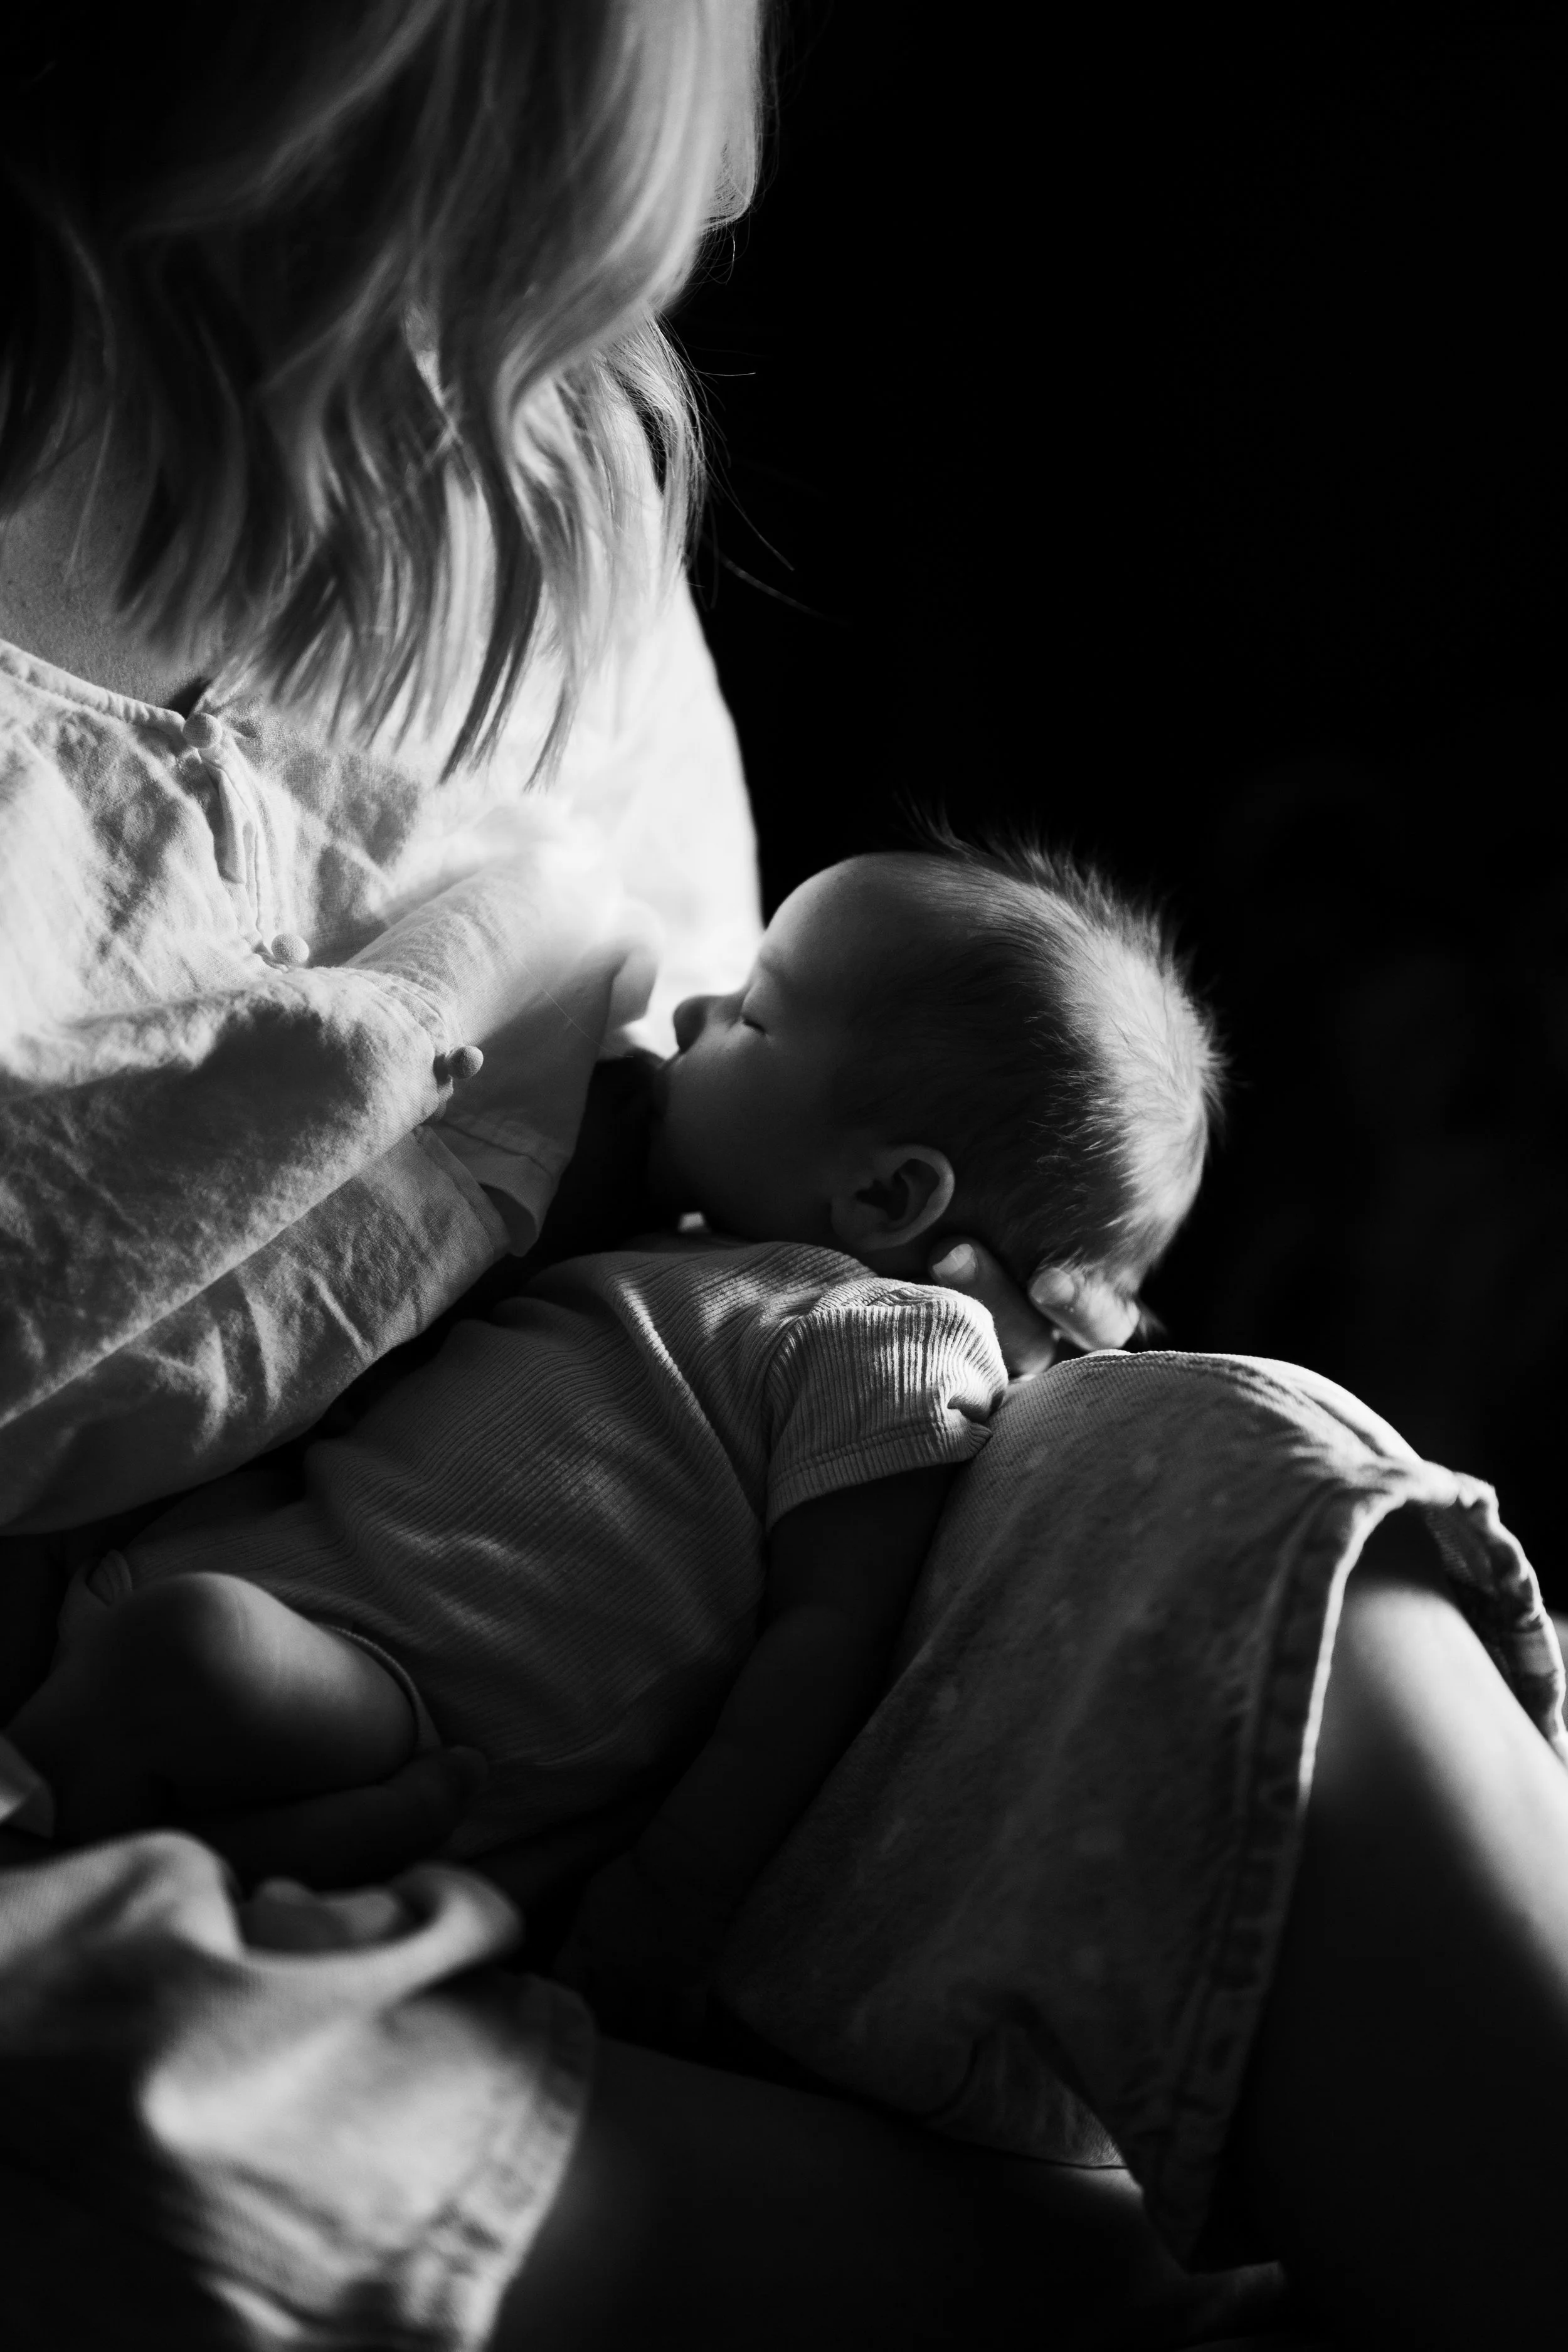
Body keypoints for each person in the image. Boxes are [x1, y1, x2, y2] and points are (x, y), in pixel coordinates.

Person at [3, 8, 1567, 2350]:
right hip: (160, 1757)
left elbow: (752, 1216)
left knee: (1218, 1484)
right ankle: (1129, 2276)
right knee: (106, 2065)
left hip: (617, 1750)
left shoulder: (546, 525)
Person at [4, 835, 1222, 2058]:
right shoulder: (672, 1250)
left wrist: (671, 1899)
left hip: (393, 1711)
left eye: (751, 1012)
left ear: (888, 1199)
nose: (692, 1008)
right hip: (260, 1584)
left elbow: (824, 1646)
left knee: (188, 1649)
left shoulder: (883, 1337)